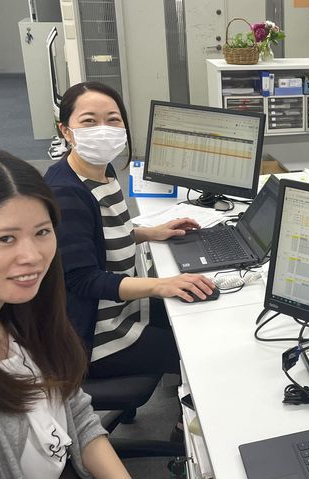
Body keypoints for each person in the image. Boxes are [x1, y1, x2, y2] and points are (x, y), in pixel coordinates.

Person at [0, 151, 159, 479]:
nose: (33, 256)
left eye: (42, 232)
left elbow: (79, 416)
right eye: (6, 238)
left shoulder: (22, 314)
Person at [44, 81, 215, 379]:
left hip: (124, 307)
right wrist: (159, 285)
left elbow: (98, 235)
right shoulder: (66, 193)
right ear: (66, 131)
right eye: (89, 121)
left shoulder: (101, 170)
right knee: (199, 352)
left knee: (200, 315)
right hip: (97, 334)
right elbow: (83, 279)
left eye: (113, 119)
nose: (103, 129)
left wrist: (149, 232)